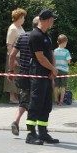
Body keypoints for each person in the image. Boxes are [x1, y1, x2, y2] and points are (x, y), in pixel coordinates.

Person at [26, 9, 60, 145]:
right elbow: (40, 57)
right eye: (52, 19)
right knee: (36, 104)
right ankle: (30, 134)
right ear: (45, 20)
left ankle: (43, 132)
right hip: (38, 74)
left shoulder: (47, 36)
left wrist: (53, 70)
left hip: (47, 74)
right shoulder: (35, 35)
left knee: (46, 105)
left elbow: (50, 54)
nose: (53, 21)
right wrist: (52, 68)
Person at [7, 16, 39, 135]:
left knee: (24, 100)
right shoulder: (39, 38)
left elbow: (12, 55)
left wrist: (10, 71)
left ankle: (16, 121)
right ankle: (32, 129)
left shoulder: (23, 36)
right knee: (35, 102)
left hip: (23, 73)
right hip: (36, 75)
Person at [4, 8, 26, 103]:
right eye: (23, 17)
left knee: (18, 76)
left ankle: (16, 97)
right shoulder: (12, 28)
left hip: (20, 55)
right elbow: (9, 45)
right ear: (20, 17)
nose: (24, 19)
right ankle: (12, 98)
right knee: (12, 75)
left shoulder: (20, 27)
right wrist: (12, 59)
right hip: (14, 56)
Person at [54, 34, 72, 105]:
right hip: (64, 70)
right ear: (64, 42)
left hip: (56, 70)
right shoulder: (66, 51)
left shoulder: (55, 51)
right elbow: (68, 61)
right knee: (63, 86)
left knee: (56, 86)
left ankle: (55, 100)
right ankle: (61, 101)